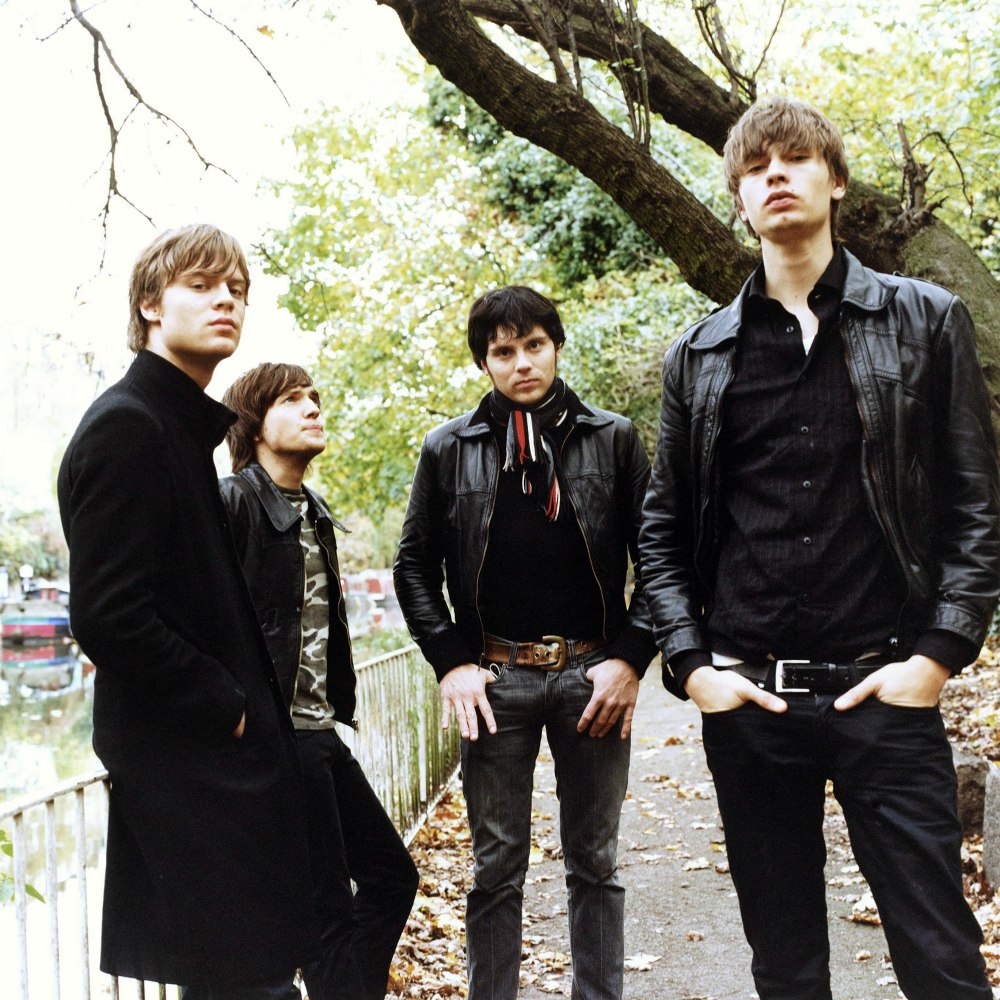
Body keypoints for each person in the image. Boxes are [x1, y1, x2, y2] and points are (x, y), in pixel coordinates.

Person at [638, 96, 1000, 1000]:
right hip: (752, 700)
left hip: (887, 685)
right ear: (738, 200)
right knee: (787, 967)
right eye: (755, 168)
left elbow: (975, 506)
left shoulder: (926, 321)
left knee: (943, 961)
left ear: (835, 181)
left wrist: (938, 656)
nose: (775, 176)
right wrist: (693, 668)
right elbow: (663, 529)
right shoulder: (699, 356)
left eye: (794, 159)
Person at [57, 225, 318, 998]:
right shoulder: (130, 426)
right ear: (150, 304)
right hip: (193, 767)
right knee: (250, 981)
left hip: (208, 768)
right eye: (201, 286)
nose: (225, 300)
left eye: (235, 289)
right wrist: (224, 705)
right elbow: (108, 613)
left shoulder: (175, 426)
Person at [394, 285, 658, 1000]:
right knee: (495, 868)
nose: (521, 364)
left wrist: (630, 659)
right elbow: (413, 566)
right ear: (484, 363)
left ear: (556, 346)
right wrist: (451, 664)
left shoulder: (613, 439)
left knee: (595, 862)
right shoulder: (448, 448)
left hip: (592, 674)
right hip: (493, 679)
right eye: (503, 352)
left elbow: (659, 557)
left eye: (534, 345)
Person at [218, 363, 419, 1000]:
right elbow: (206, 620)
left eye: (314, 399)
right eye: (291, 400)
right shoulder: (234, 503)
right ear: (254, 425)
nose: (312, 409)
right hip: (276, 740)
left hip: (318, 731)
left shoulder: (312, 512)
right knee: (327, 915)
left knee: (392, 878)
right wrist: (236, 717)